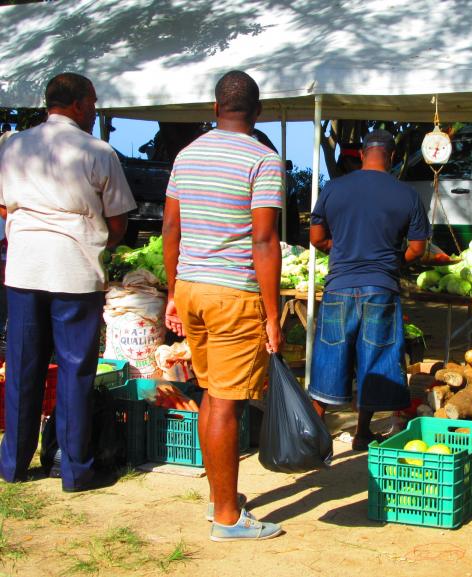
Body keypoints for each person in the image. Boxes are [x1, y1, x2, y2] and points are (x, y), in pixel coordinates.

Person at [162, 70, 284, 542]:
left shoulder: (187, 155)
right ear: (258, 113)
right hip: (233, 293)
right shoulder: (263, 159)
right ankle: (228, 518)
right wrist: (272, 316)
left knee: (213, 395)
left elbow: (170, 228)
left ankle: (221, 500)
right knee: (226, 404)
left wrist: (172, 292)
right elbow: (264, 240)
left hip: (191, 288)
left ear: (215, 109)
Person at [0, 73, 136, 492]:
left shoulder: (13, 145)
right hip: (74, 271)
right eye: (92, 102)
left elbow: (4, 208)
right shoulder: (98, 151)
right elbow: (118, 222)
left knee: (22, 367)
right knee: (76, 371)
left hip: (24, 269)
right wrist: (94, 238)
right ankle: (75, 470)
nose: (95, 111)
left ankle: (13, 466)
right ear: (78, 104)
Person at [308, 129, 430, 451]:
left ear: (362, 154)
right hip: (381, 288)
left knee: (329, 357)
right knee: (373, 360)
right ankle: (362, 434)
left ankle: (313, 436)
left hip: (339, 288)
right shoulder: (407, 195)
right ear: (392, 157)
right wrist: (393, 261)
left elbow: (317, 237)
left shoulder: (334, 188)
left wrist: (340, 248)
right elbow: (418, 248)